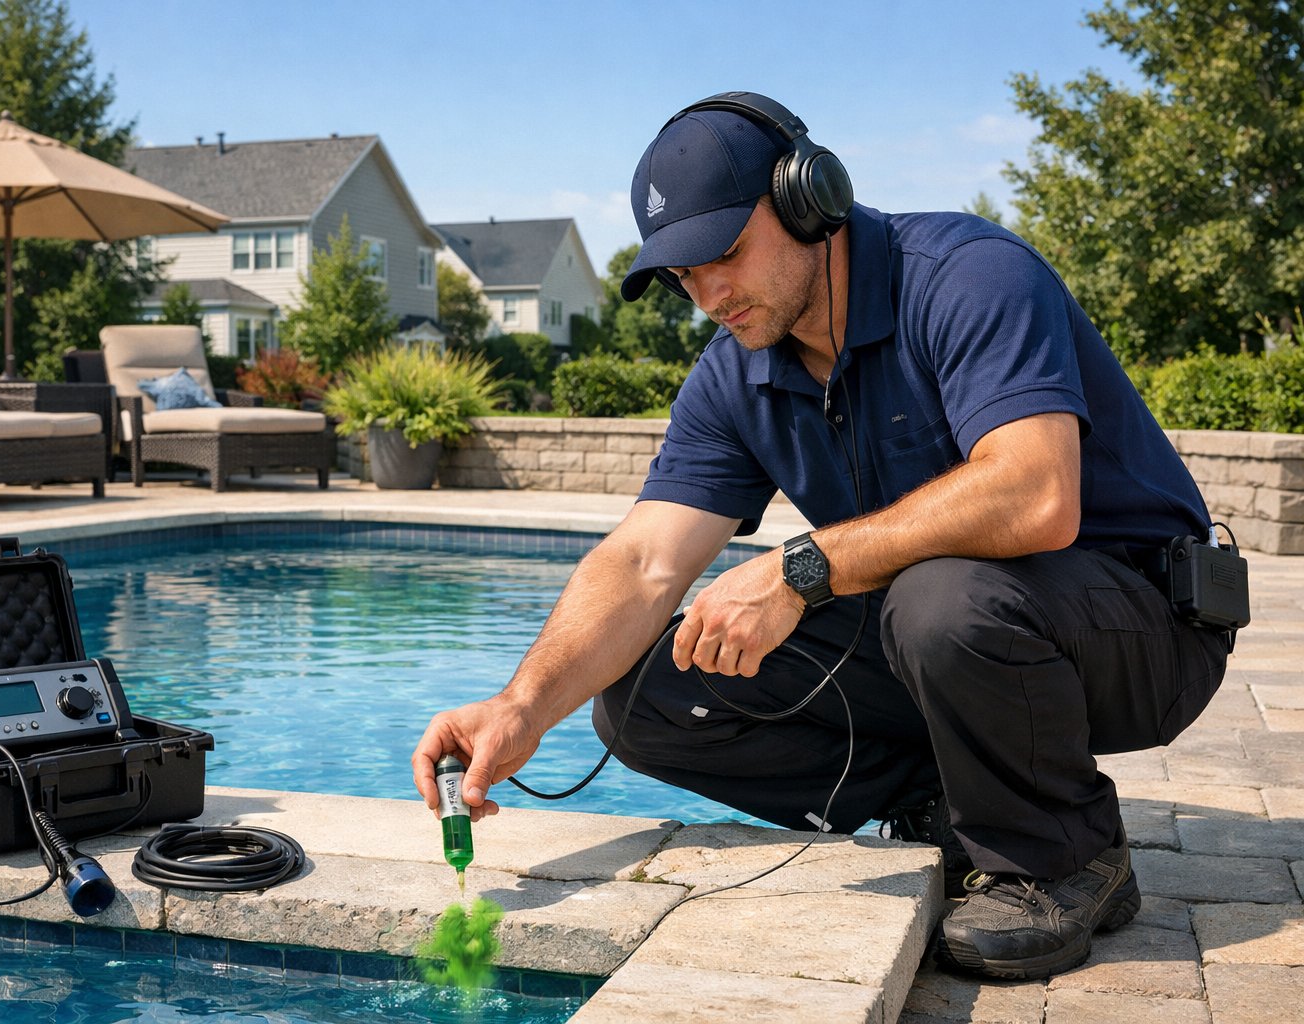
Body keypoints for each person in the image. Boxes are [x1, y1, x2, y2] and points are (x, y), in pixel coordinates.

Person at [411, 91, 1235, 981]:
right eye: (683, 275)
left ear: (812, 200)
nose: (708, 295)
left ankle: (1065, 855)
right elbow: (644, 559)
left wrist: (803, 567)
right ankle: (947, 807)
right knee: (649, 687)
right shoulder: (736, 373)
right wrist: (522, 706)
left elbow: (1037, 496)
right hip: (947, 637)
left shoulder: (967, 275)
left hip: (1139, 626)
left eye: (724, 254)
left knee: (939, 599)